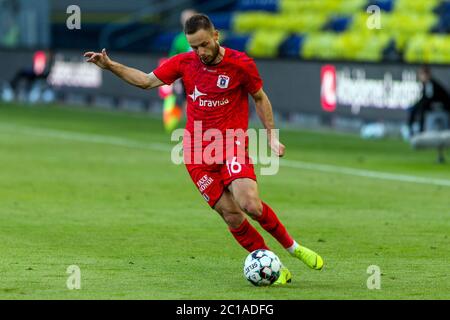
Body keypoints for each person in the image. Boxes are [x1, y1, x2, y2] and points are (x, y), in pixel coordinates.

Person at [84, 14, 323, 285]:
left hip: (232, 144)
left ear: (216, 36)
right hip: (197, 155)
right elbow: (146, 81)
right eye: (194, 46)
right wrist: (110, 65)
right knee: (232, 215)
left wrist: (271, 136)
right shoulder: (185, 63)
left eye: (203, 44)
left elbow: (259, 97)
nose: (199, 52)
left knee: (249, 204)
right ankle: (272, 265)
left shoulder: (241, 64)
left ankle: (294, 248)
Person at [408, 66, 450, 136]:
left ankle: (420, 132)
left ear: (427, 75)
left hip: (443, 107)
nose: (420, 77)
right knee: (416, 108)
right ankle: (412, 129)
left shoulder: (430, 84)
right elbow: (425, 99)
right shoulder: (426, 84)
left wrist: (418, 105)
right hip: (435, 106)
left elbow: (429, 99)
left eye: (421, 74)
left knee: (421, 108)